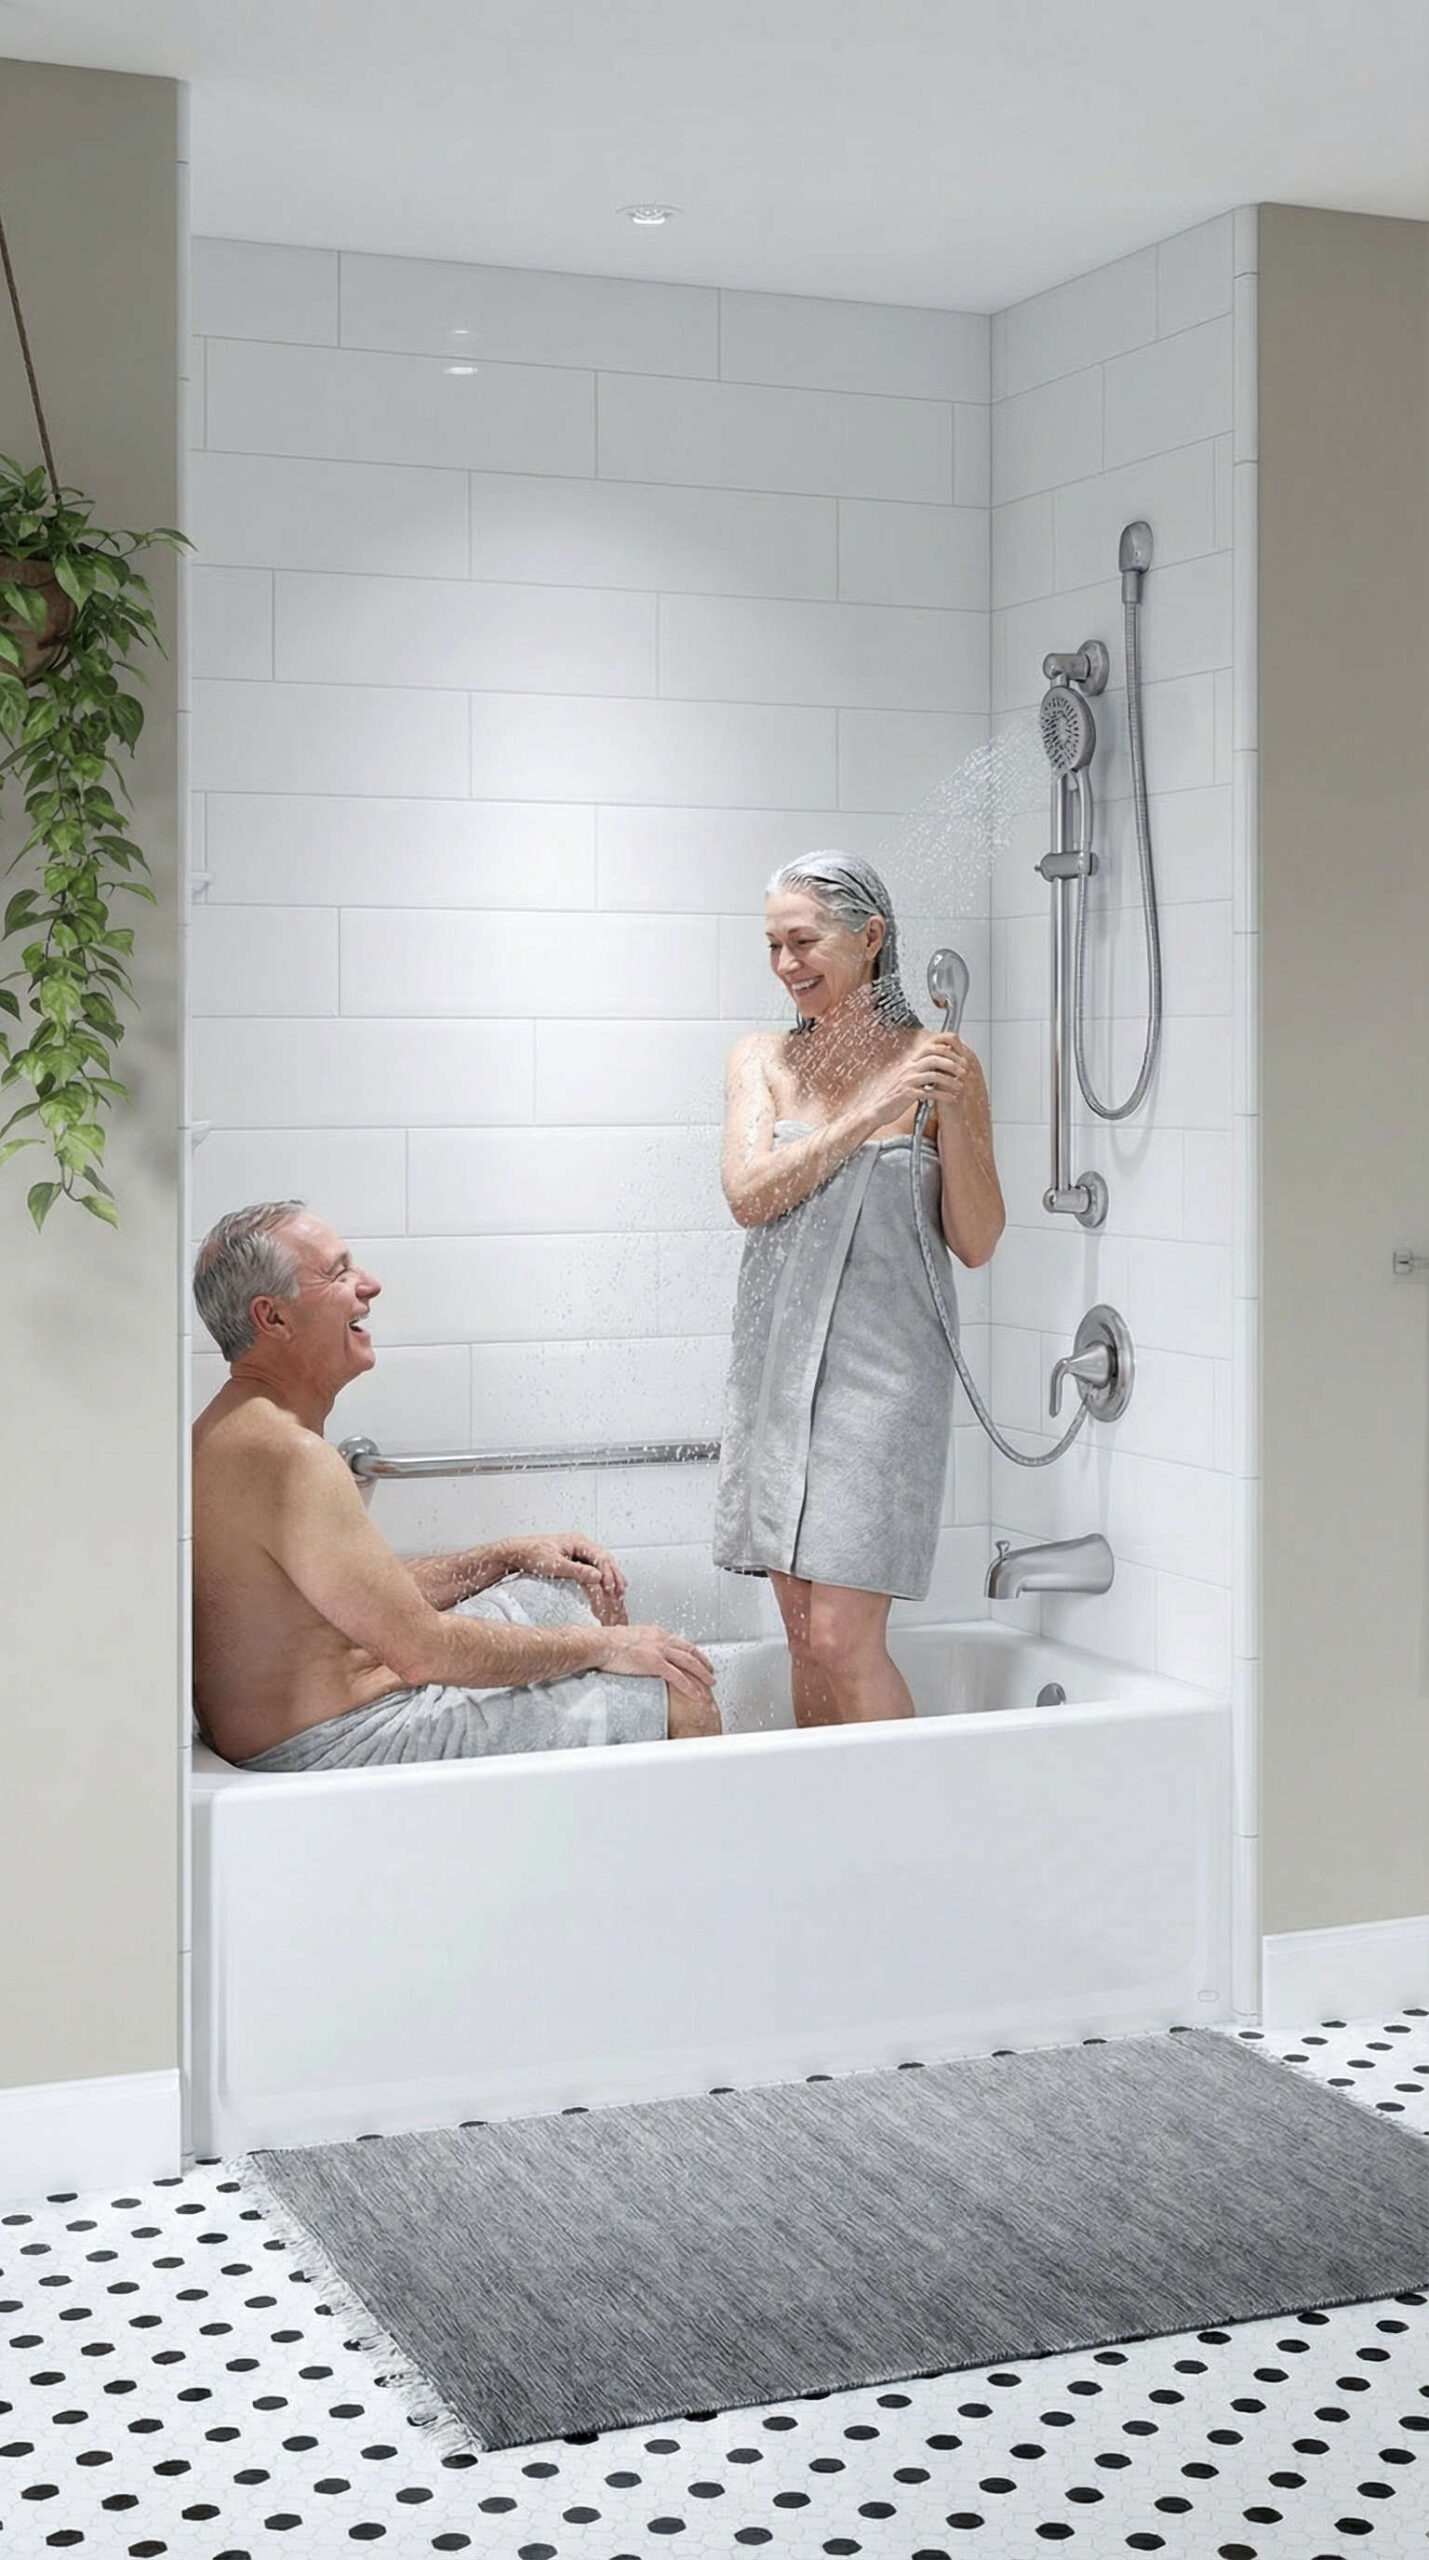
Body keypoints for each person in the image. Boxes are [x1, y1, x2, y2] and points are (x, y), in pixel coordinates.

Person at [191, 1202, 719, 1768]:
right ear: (273, 1318)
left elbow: (356, 1600)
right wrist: (610, 1646)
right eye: (339, 1273)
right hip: (342, 1743)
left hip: (321, 1721)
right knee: (681, 1690)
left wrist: (504, 1556)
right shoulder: (290, 1457)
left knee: (558, 1587)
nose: (369, 1285)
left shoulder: (232, 1431)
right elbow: (423, 1651)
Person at [713, 854, 1004, 1727]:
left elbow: (977, 1240)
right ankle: (823, 1805)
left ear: (870, 937)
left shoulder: (940, 1063)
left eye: (802, 942)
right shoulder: (761, 1060)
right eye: (772, 945)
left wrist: (951, 1112)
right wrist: (867, 1116)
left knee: (843, 1638)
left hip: (884, 1381)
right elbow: (747, 1195)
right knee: (803, 1637)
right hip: (777, 1371)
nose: (785, 965)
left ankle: (909, 1806)